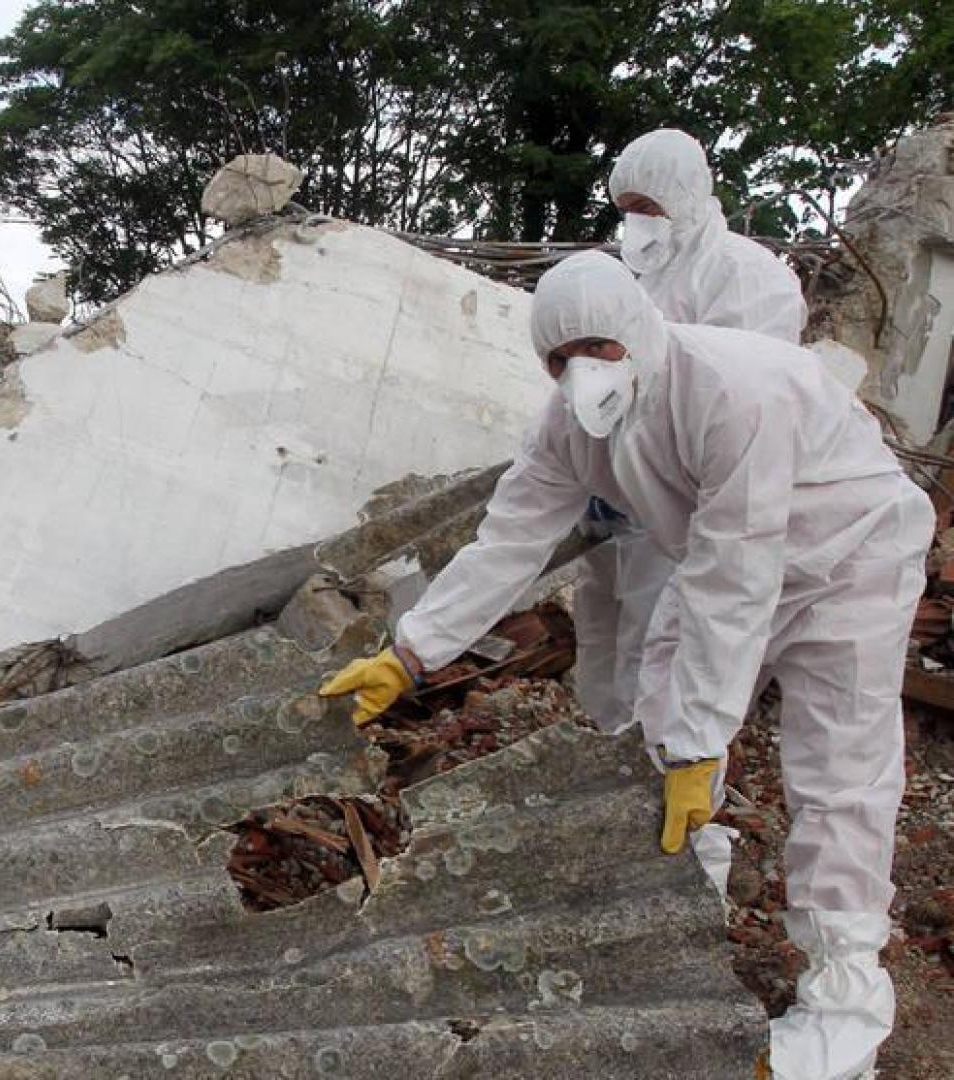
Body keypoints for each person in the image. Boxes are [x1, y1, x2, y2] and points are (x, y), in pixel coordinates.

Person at [319, 252, 929, 1080]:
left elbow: (736, 575)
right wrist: (411, 655)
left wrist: (703, 743)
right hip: (721, 561)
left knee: (839, 770)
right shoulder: (566, 428)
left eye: (599, 349)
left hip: (847, 556)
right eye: (559, 360)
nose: (582, 373)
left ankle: (846, 1006)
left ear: (639, 333)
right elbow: (509, 544)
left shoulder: (730, 389)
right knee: (658, 722)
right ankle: (683, 898)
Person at [576, 127, 811, 735]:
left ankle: (667, 799)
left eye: (647, 208)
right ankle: (605, 755)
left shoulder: (750, 278)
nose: (636, 223)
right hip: (621, 491)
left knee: (661, 647)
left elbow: (742, 397)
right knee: (602, 627)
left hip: (687, 498)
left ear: (684, 198)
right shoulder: (638, 280)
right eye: (625, 210)